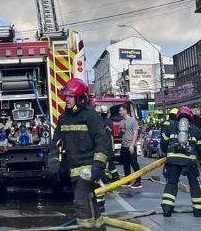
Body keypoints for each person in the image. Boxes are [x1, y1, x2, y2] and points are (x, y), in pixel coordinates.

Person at [52, 78, 110, 231]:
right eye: (66, 96)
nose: (67, 99)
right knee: (90, 201)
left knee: (81, 201)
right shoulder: (64, 119)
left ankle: (85, 229)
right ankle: (99, 228)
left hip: (89, 169)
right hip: (73, 170)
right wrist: (55, 164)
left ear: (81, 97)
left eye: (71, 96)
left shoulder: (91, 117)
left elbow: (102, 142)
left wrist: (98, 165)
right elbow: (56, 143)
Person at [160, 106, 201, 218]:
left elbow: (163, 143)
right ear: (191, 117)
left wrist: (165, 153)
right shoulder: (196, 130)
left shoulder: (171, 127)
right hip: (190, 162)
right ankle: (199, 210)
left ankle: (167, 209)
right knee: (194, 185)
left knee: (171, 183)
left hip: (173, 160)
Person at [118, 105, 143, 189]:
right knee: (125, 164)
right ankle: (127, 180)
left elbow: (135, 133)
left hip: (131, 145)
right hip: (124, 145)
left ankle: (138, 181)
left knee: (134, 163)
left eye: (121, 110)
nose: (120, 112)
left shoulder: (133, 121)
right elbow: (119, 133)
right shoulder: (121, 122)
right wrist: (121, 131)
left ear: (125, 111)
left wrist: (132, 145)